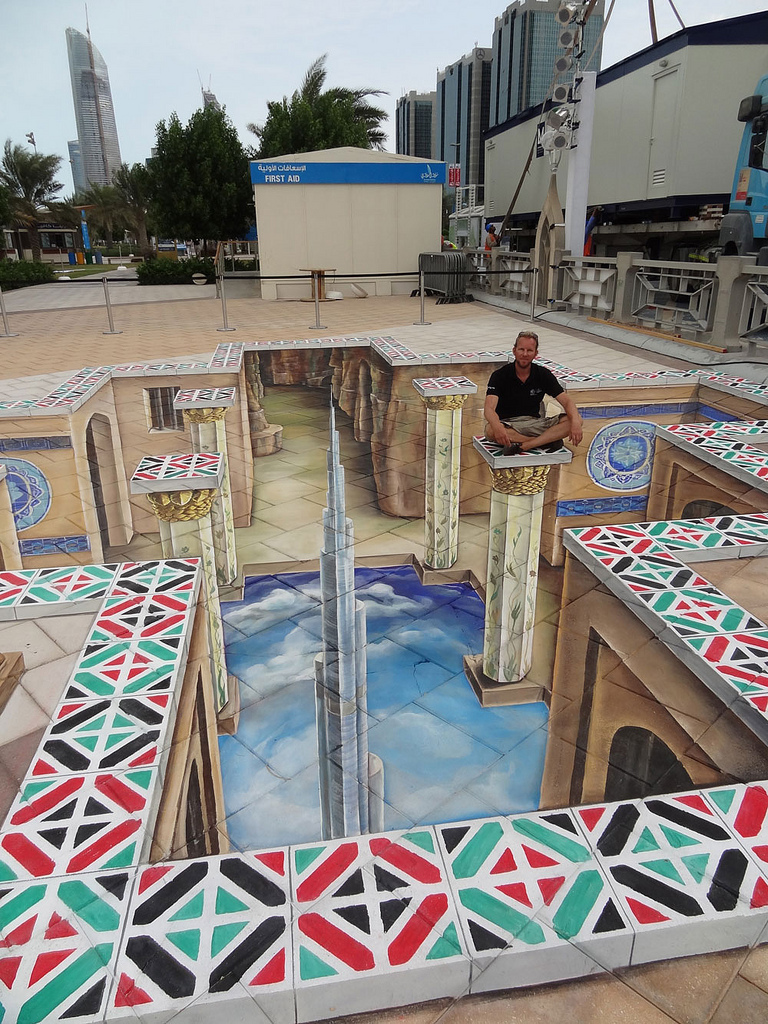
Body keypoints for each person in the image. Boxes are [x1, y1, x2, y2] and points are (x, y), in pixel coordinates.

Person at [484, 331, 583, 455]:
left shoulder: (543, 374)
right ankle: (547, 441)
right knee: (490, 430)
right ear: (514, 351)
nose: (525, 354)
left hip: (534, 423)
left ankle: (526, 445)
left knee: (576, 419)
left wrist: (575, 424)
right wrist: (497, 426)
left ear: (536, 353)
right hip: (509, 424)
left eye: (529, 350)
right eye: (521, 349)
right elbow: (489, 408)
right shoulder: (499, 375)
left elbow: (567, 401)